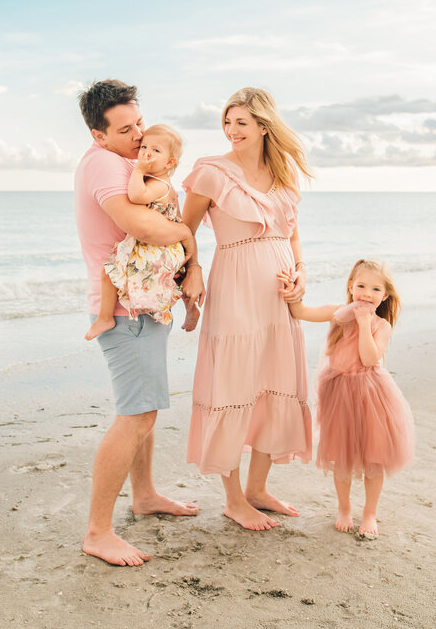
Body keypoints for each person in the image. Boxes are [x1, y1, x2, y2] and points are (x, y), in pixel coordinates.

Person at [73, 80, 198, 567]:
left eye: (139, 124)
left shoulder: (131, 159)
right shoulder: (104, 161)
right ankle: (97, 531)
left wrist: (192, 259)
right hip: (125, 307)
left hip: (145, 300)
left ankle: (143, 495)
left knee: (144, 406)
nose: (137, 134)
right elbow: (143, 226)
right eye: (125, 129)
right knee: (137, 415)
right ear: (97, 134)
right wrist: (186, 232)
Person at [179, 87, 313, 531]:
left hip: (278, 295)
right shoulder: (212, 173)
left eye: (241, 122)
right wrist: (194, 268)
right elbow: (184, 230)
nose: (232, 130)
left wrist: (300, 274)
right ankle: (234, 500)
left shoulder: (283, 172)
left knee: (273, 383)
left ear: (263, 125)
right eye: (227, 121)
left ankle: (257, 490)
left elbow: (291, 234)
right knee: (234, 388)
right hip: (235, 287)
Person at [283, 258, 415, 539]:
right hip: (339, 394)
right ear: (350, 286)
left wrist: (365, 323)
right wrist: (293, 287)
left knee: (374, 458)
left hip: (371, 395)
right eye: (362, 286)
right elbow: (300, 311)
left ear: (385, 295)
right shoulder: (337, 313)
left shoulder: (381, 325)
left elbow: (369, 357)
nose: (367, 294)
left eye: (376, 289)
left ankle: (369, 512)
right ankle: (344, 508)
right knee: (340, 456)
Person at [84, 124, 186, 341]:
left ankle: (106, 317)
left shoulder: (160, 184)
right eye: (144, 147)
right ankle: (105, 317)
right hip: (156, 240)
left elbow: (136, 197)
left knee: (123, 275)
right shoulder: (154, 179)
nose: (146, 153)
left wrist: (138, 170)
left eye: (156, 151)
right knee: (111, 273)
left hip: (157, 243)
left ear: (169, 162)